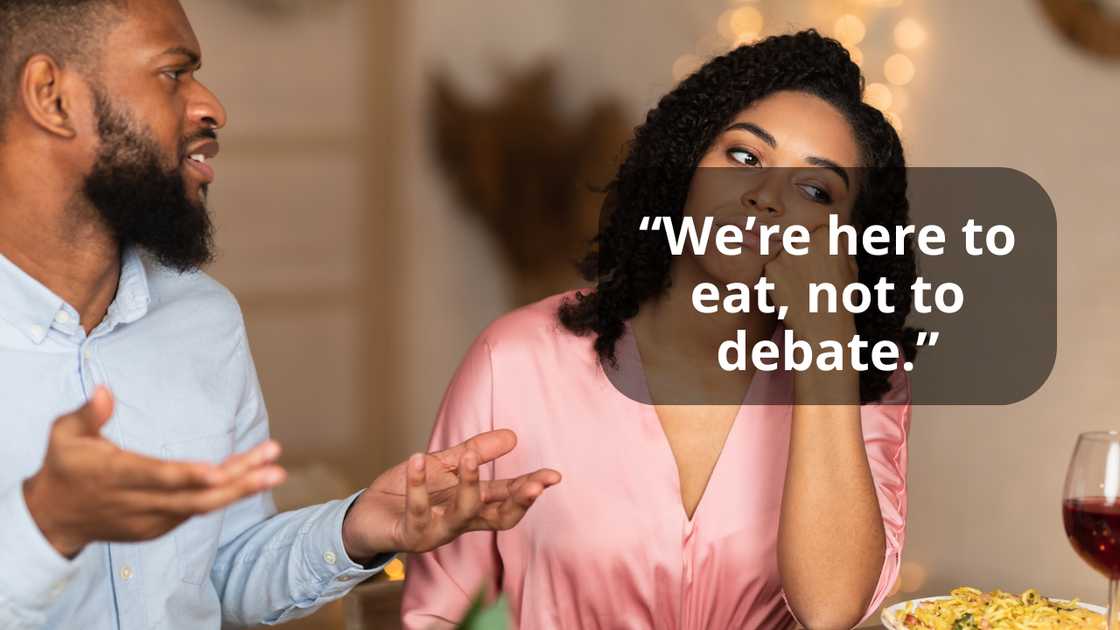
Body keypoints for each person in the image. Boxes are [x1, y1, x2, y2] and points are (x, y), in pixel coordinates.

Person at [0, 1, 560, 628]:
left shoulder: (201, 317)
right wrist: (44, 529)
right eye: (173, 73)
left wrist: (361, 529)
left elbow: (222, 572)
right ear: (51, 96)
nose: (212, 106)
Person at [402, 30, 915, 630]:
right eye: (745, 157)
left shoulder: (865, 378)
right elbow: (441, 612)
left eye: (814, 189)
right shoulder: (513, 359)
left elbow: (831, 609)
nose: (767, 198)